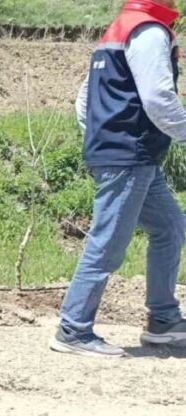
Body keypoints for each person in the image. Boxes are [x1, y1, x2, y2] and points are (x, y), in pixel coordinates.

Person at [53, 0, 186, 357]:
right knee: (108, 242)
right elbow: (158, 97)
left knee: (170, 226)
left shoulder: (120, 27)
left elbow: (85, 98)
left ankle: (163, 320)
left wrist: (102, 138)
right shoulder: (149, 31)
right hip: (129, 156)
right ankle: (73, 328)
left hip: (129, 155)